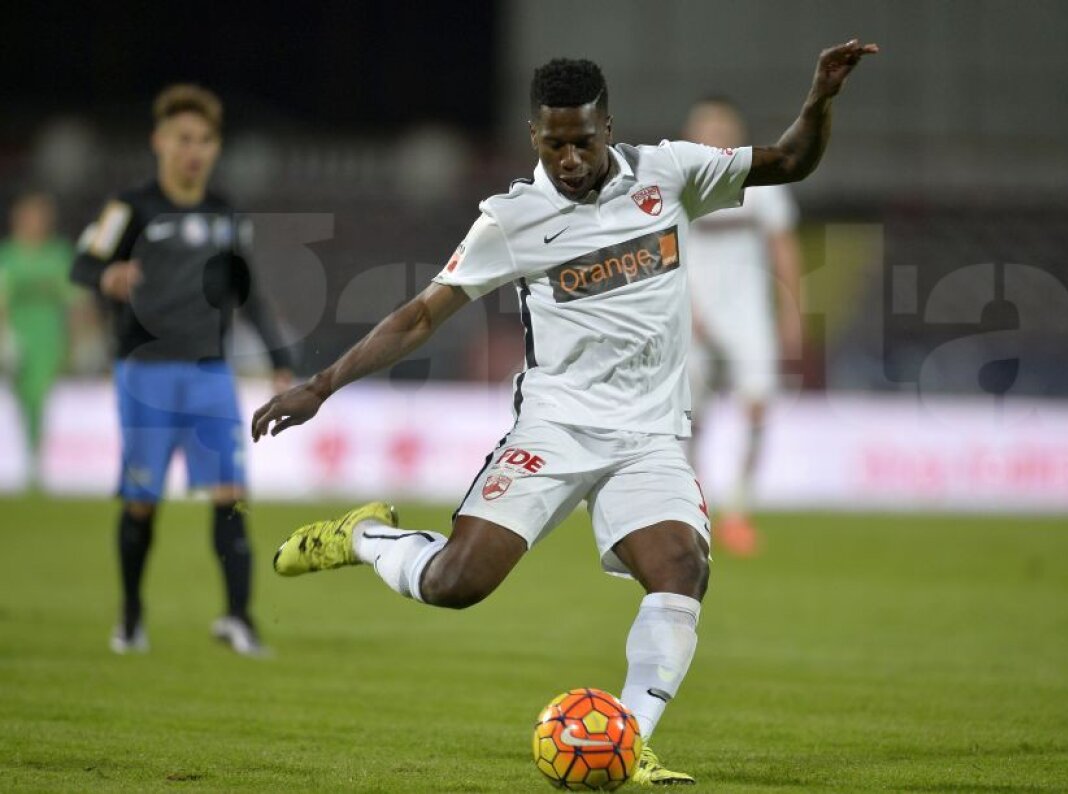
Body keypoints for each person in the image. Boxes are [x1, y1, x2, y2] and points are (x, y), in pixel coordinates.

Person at [252, 41, 877, 784]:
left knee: (681, 569)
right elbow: (420, 316)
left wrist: (820, 99)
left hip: (648, 436)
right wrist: (321, 386)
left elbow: (790, 162)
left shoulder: (670, 173)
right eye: (554, 145)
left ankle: (629, 741)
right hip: (556, 429)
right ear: (534, 136)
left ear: (608, 127)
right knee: (457, 583)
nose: (570, 159)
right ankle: (365, 536)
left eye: (583, 141)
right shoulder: (514, 219)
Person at [71, 84, 293, 657]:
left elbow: (248, 292)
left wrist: (279, 359)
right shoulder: (131, 208)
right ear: (159, 142)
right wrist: (107, 276)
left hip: (211, 374)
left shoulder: (224, 214)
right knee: (142, 500)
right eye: (183, 139)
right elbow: (83, 262)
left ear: (216, 147)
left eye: (204, 140)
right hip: (144, 373)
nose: (193, 150)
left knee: (231, 495)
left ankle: (238, 618)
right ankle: (131, 615)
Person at [682, 97, 805, 557]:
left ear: (737, 132)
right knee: (690, 418)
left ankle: (739, 510)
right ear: (692, 134)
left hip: (749, 315)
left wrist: (792, 310)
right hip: (691, 315)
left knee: (757, 406)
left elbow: (783, 248)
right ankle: (695, 507)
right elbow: (662, 253)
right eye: (706, 125)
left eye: (722, 125)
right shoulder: (679, 185)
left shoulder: (762, 185)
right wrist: (681, 307)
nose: (715, 133)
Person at [0, 191, 79, 485]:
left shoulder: (58, 254)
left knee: (40, 395)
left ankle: (37, 459)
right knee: (22, 396)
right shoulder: (7, 255)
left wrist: (78, 338)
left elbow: (74, 300)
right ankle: (26, 456)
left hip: (49, 336)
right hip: (16, 336)